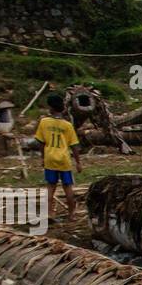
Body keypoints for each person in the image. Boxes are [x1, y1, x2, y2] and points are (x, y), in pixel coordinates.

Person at [35, 94, 82, 224]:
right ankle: (72, 213)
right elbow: (74, 146)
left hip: (50, 158)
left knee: (50, 187)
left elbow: (41, 142)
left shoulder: (44, 122)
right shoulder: (67, 125)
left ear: (51, 108)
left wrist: (43, 158)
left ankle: (50, 213)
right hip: (64, 160)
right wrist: (78, 162)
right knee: (68, 188)